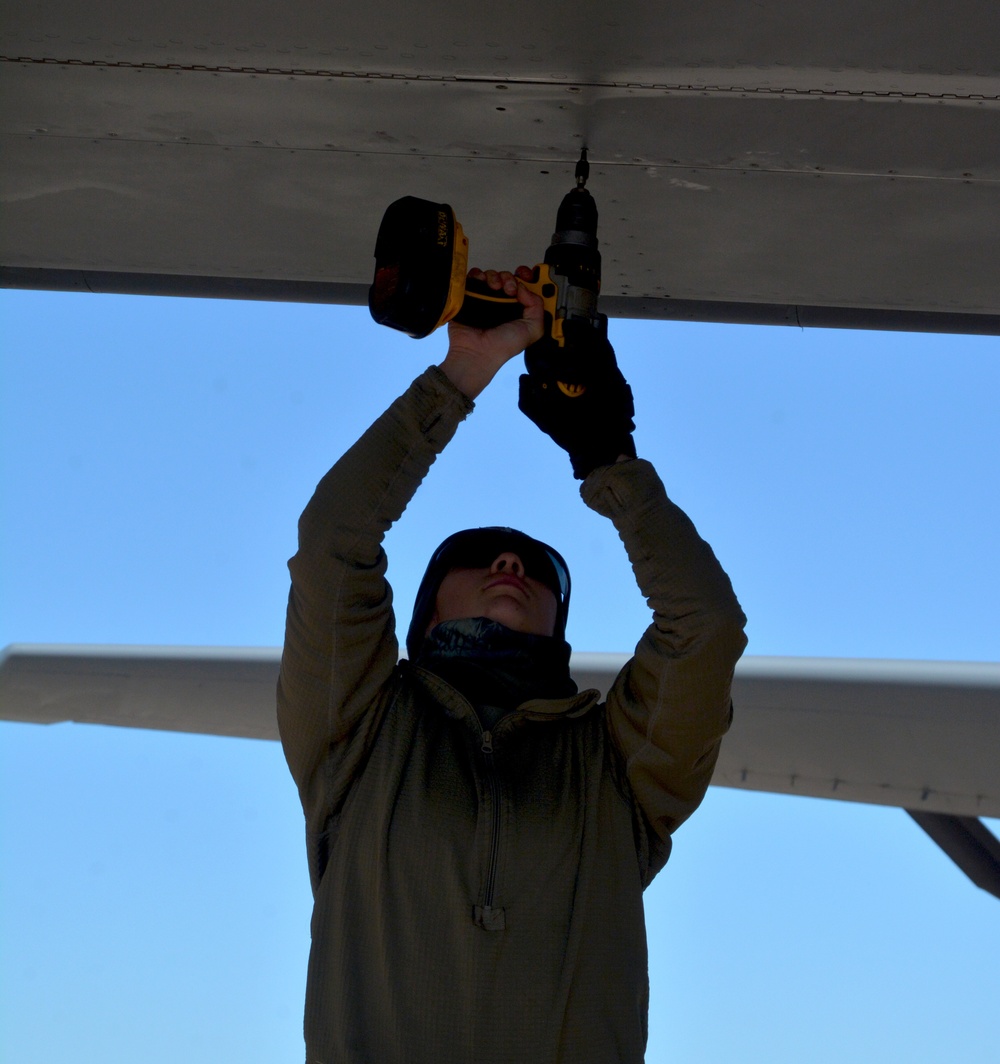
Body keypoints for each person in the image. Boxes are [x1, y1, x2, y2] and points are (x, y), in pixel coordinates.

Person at [277, 267, 747, 1064]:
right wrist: (462, 374)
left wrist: (610, 459)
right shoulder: (358, 734)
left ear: (560, 625)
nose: (508, 562)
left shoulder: (618, 773)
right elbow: (333, 546)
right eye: (476, 558)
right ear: (424, 613)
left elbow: (703, 627)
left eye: (537, 570)